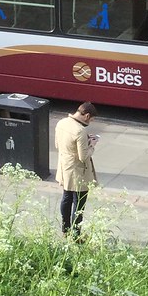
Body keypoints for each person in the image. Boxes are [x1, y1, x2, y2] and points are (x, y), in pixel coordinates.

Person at [54, 102, 99, 240]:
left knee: (66, 197)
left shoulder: (61, 123)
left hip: (64, 166)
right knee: (79, 204)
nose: (90, 122)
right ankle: (76, 235)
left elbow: (57, 145)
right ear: (86, 116)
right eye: (91, 120)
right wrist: (92, 144)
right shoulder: (80, 131)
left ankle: (65, 229)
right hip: (79, 171)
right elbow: (83, 156)